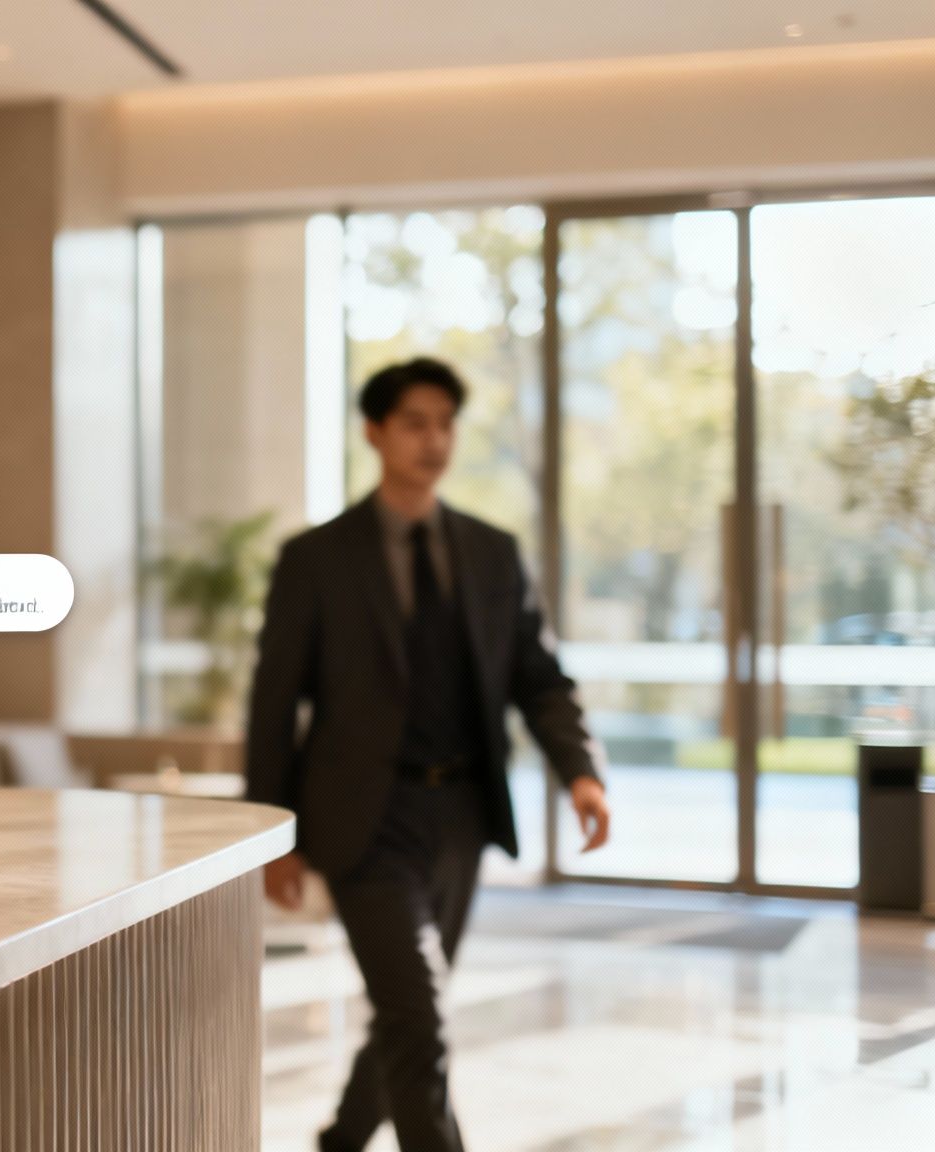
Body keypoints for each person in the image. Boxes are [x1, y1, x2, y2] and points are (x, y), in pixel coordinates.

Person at [244, 357, 612, 1152]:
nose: (434, 438)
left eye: (445, 422)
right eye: (415, 422)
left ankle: (342, 1138)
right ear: (374, 432)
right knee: (419, 1012)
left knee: (412, 1008)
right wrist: (273, 835)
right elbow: (274, 706)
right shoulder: (317, 558)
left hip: (461, 816)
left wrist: (580, 772)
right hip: (363, 822)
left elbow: (539, 680)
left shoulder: (492, 553)